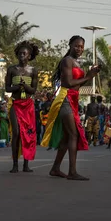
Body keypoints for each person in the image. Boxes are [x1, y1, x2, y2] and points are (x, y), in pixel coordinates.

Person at [41, 35, 101, 181]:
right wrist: (89, 76)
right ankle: (72, 172)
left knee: (67, 137)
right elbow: (68, 83)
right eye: (76, 46)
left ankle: (55, 168)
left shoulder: (75, 62)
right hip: (65, 99)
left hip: (73, 99)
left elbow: (77, 85)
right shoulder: (67, 61)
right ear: (70, 45)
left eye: (81, 46)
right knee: (73, 135)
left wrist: (90, 75)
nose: (79, 49)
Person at [5, 40, 39, 173]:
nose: (21, 56)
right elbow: (7, 88)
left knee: (27, 135)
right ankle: (15, 164)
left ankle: (26, 164)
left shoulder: (33, 71)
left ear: (29, 56)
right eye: (19, 54)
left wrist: (25, 86)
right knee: (16, 133)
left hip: (28, 105)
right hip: (15, 103)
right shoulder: (12, 69)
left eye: (24, 54)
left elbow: (33, 90)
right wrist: (16, 87)